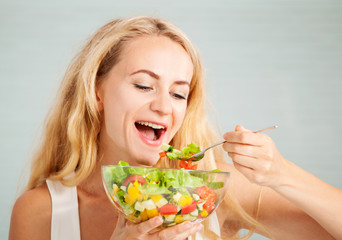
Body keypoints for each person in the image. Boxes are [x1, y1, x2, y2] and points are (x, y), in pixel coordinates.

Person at [8, 16, 341, 240]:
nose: (165, 107)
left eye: (179, 93)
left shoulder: (212, 192)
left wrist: (281, 174)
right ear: (97, 93)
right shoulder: (41, 212)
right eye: (143, 85)